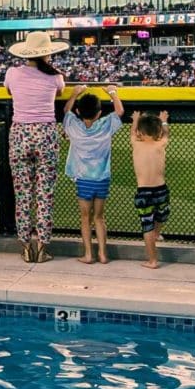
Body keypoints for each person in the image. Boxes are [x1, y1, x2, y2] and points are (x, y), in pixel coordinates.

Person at [3, 33, 69, 262]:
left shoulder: (12, 73)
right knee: (44, 194)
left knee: (22, 195)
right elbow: (59, 92)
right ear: (47, 52)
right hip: (46, 134)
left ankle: (25, 246)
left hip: (20, 133)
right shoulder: (56, 76)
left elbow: (9, 91)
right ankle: (42, 247)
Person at [62, 85, 124, 264]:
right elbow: (119, 111)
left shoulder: (73, 126)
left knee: (85, 218)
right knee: (99, 217)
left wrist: (74, 94)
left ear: (79, 111)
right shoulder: (105, 126)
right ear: (99, 113)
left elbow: (67, 111)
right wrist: (112, 92)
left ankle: (89, 254)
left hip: (83, 180)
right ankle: (103, 254)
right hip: (102, 179)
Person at [129, 110, 172, 269]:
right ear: (159, 131)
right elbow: (166, 134)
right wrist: (164, 121)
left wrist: (135, 119)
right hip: (161, 190)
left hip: (144, 192)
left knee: (146, 225)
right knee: (162, 215)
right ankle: (156, 233)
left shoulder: (136, 143)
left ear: (140, 132)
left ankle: (152, 260)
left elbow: (133, 132)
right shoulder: (160, 144)